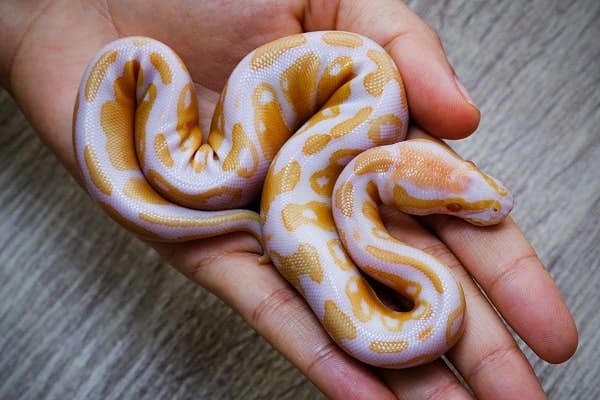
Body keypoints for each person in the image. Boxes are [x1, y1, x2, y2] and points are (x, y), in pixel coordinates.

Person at [0, 1, 577, 399]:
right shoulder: (366, 118)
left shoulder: (363, 165)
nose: (478, 204)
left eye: (457, 195)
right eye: (455, 199)